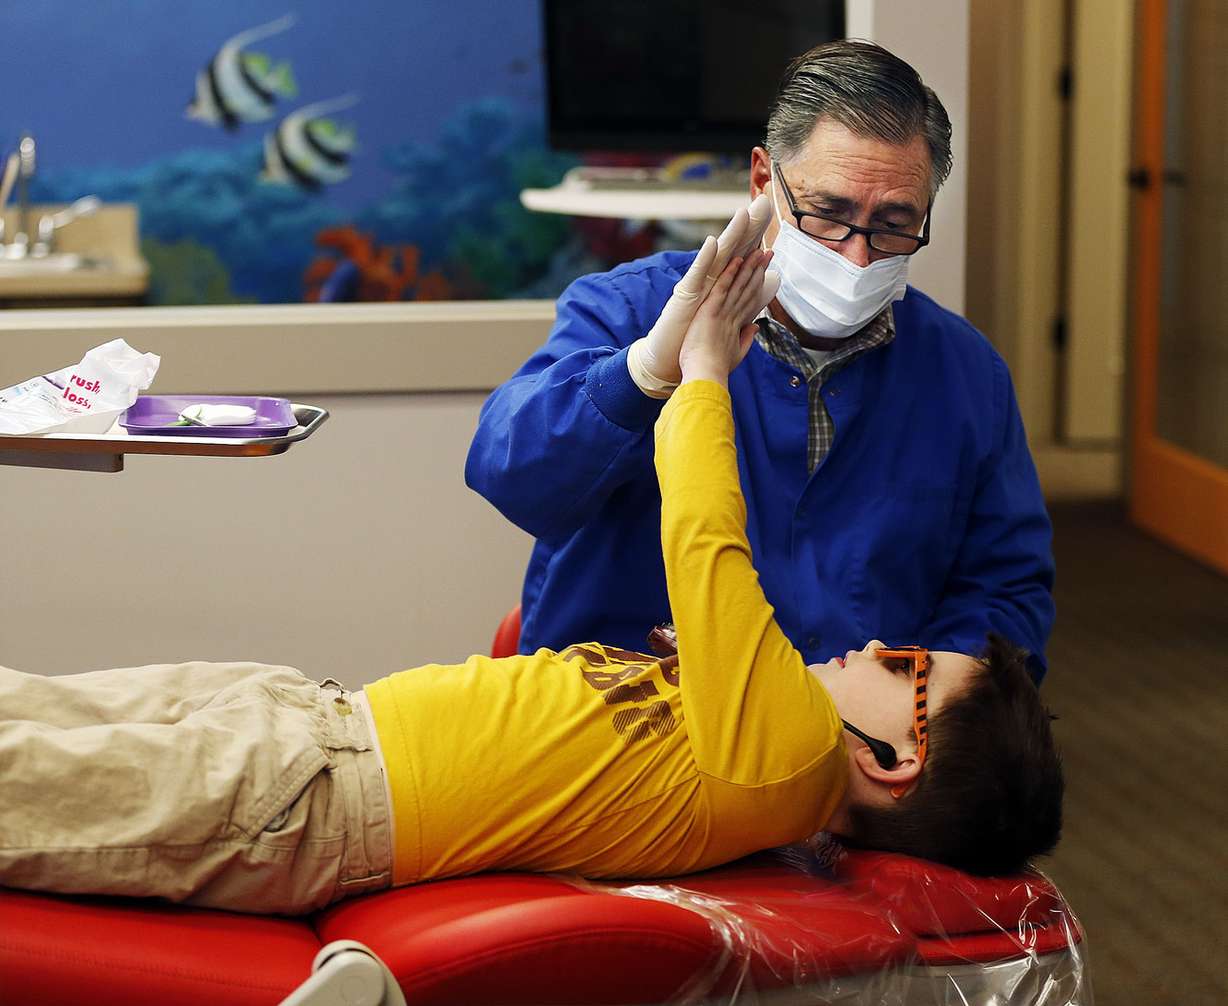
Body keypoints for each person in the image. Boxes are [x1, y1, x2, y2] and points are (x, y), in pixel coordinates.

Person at [0, 253, 1062, 918]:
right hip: (316, 719)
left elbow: (704, 541)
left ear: (895, 757)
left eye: (910, 664)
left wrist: (700, 370)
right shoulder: (765, 749)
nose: (883, 642)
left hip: (309, 799)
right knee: (25, 708)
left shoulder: (785, 753)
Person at [466, 39, 1056, 681]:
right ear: (762, 181)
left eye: (893, 223)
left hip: (851, 753)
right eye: (828, 213)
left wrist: (913, 705)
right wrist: (641, 375)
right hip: (634, 733)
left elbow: (1007, 591)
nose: (857, 257)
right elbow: (512, 476)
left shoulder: (966, 373)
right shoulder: (631, 310)